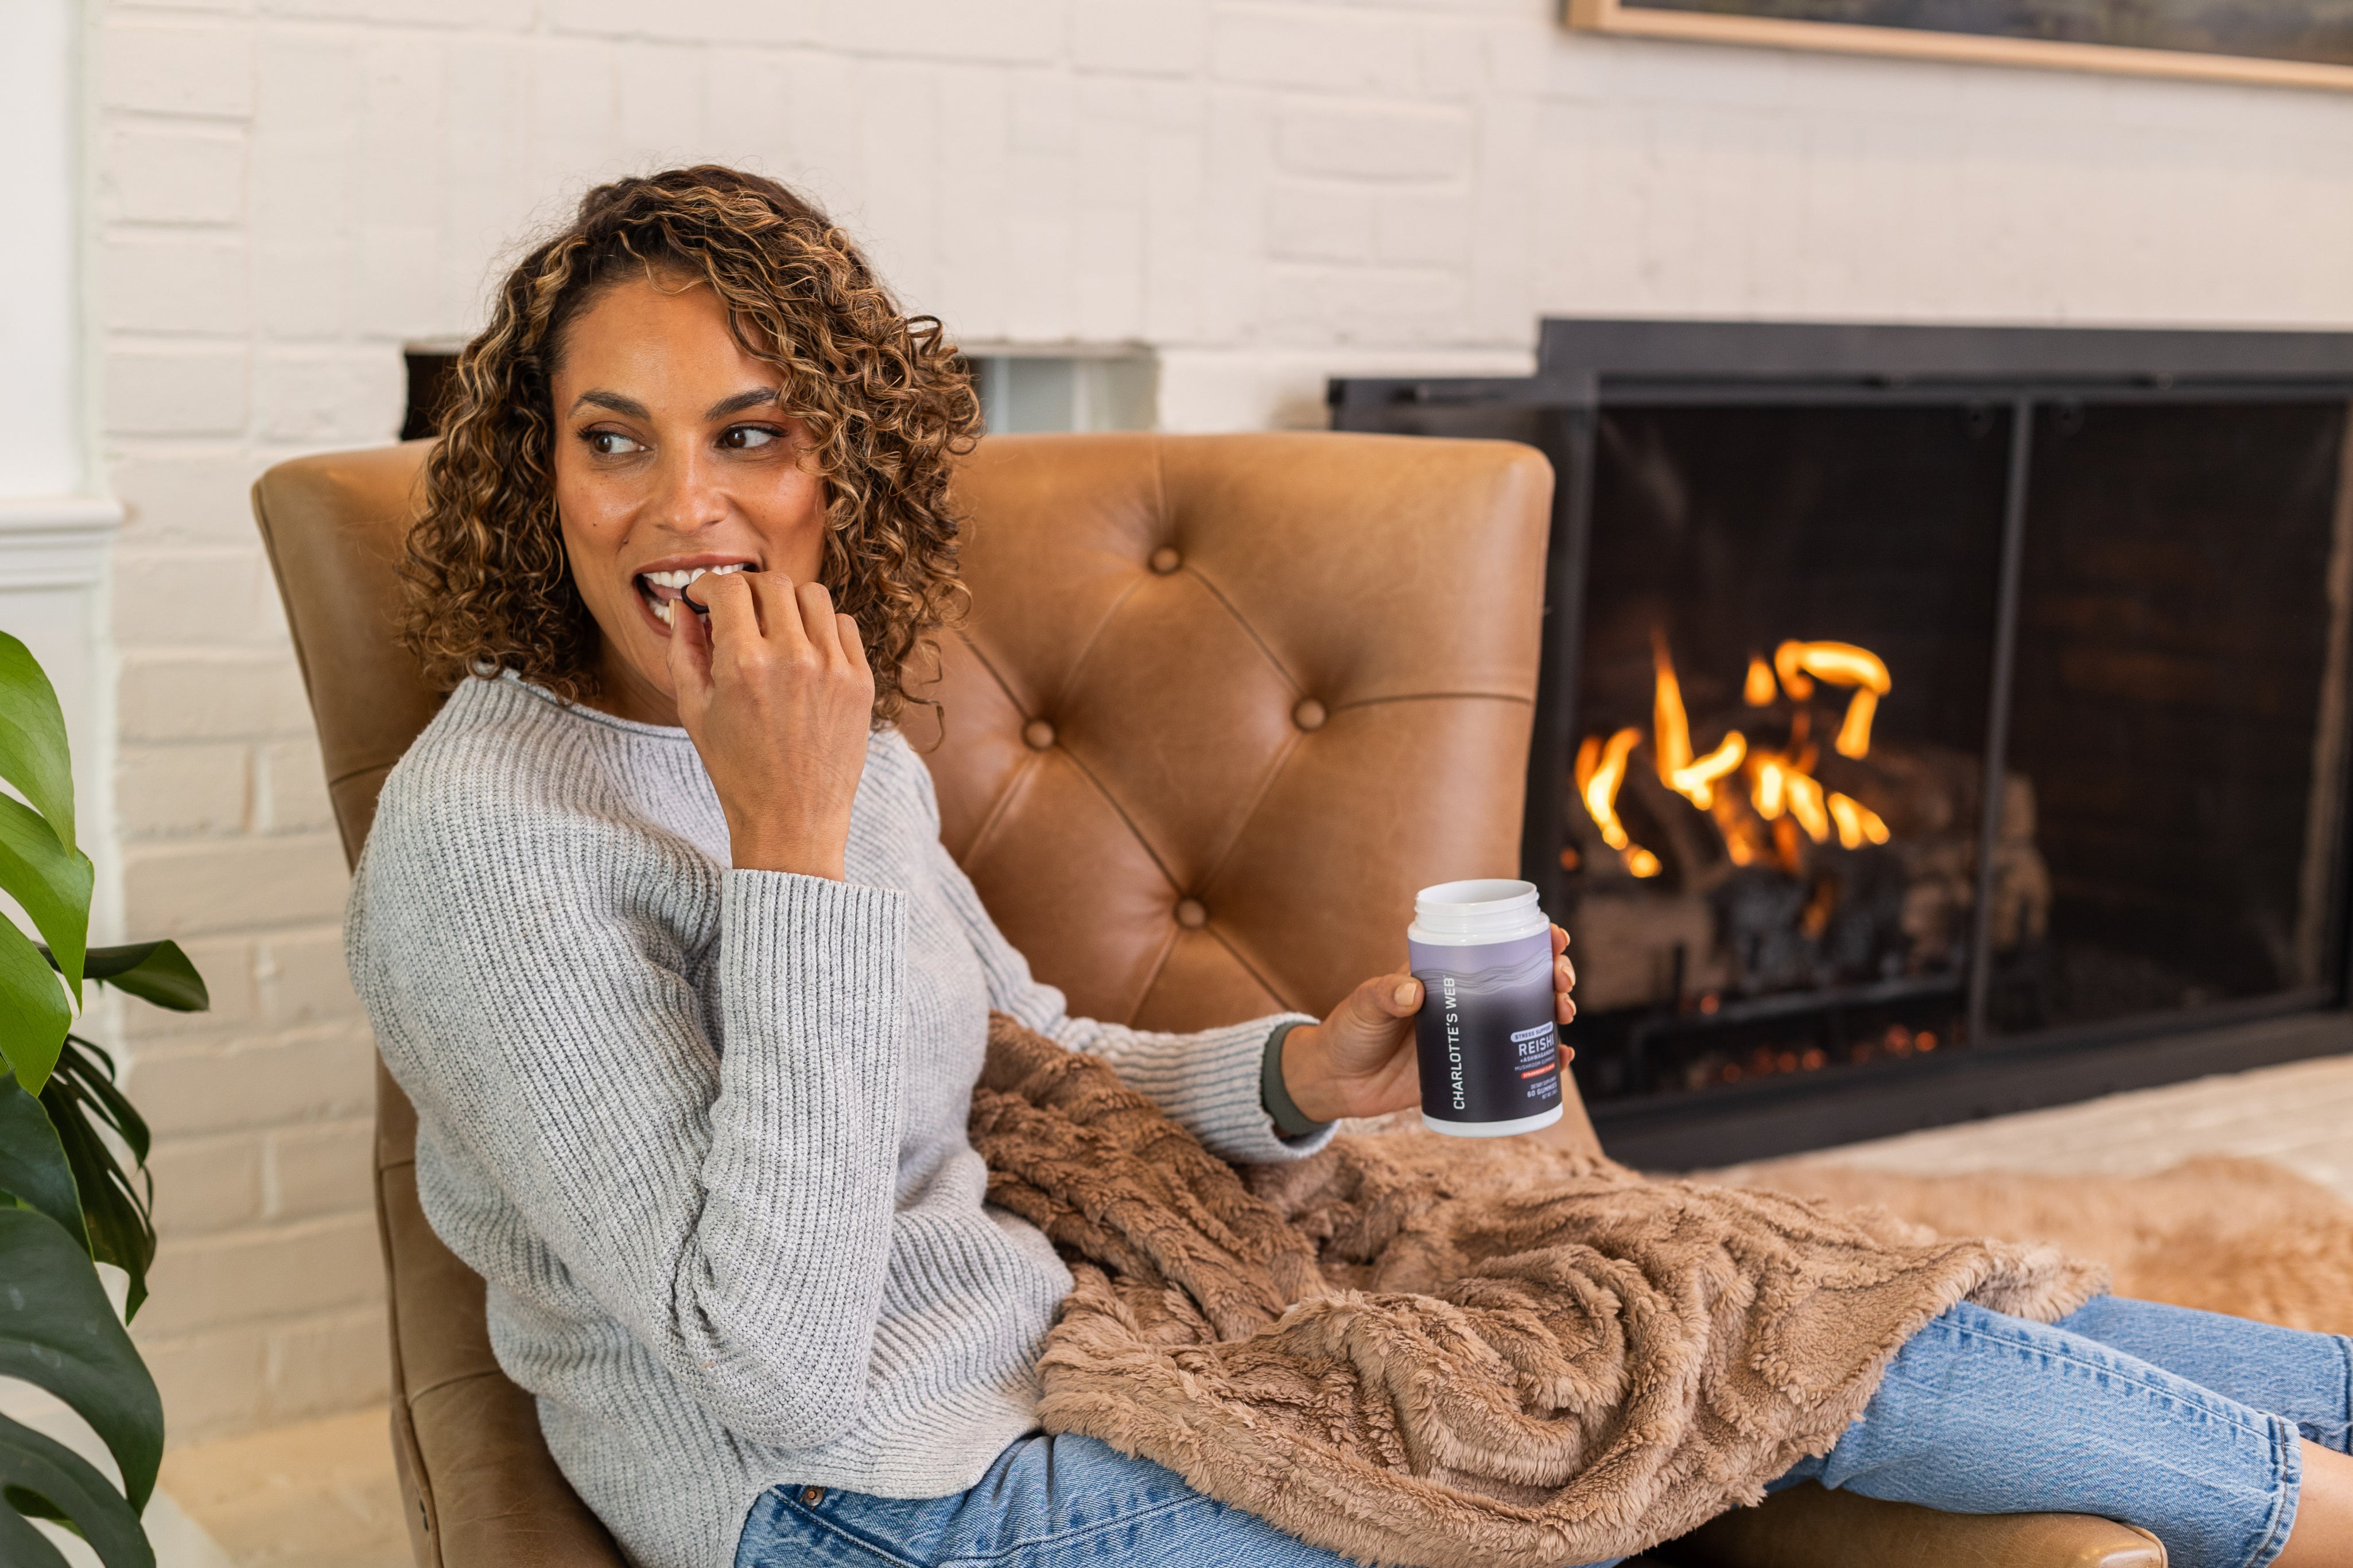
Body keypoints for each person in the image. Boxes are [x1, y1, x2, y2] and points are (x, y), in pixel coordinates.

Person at [347, 165, 2353, 1568]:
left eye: (751, 435)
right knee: (1688, 1346)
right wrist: (786, 849)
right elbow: (775, 1379)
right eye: (612, 440)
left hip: (1069, 1349)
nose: (682, 509)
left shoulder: (818, 717)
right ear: (538, 465)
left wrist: (1310, 1074)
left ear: (839, 463)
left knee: (1742, 1271)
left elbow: (1021, 1062)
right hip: (880, 1510)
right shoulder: (494, 846)